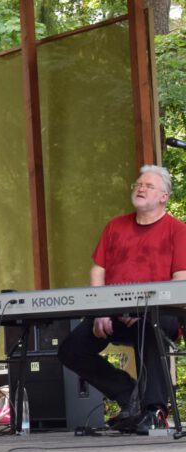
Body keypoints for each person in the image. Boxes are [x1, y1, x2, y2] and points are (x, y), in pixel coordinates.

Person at [57, 165, 186, 434]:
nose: (140, 188)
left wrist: (145, 308)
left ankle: (155, 410)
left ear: (164, 196)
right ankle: (128, 393)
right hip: (113, 311)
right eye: (138, 184)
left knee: (149, 329)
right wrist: (100, 310)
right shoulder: (116, 226)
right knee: (71, 350)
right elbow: (98, 271)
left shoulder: (177, 230)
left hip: (161, 312)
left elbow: (180, 279)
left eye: (149, 186)